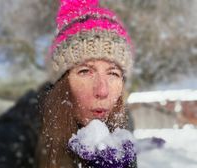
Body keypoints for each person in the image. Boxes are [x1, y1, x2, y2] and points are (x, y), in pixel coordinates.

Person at [36, 0, 136, 167]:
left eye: (113, 73)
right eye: (85, 71)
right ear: (62, 83)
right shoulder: (27, 127)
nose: (102, 90)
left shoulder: (123, 127)